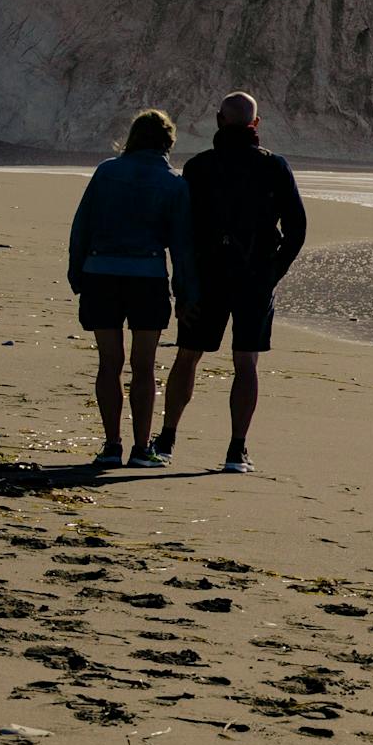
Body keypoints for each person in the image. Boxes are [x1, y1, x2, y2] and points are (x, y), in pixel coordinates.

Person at [153, 91, 306, 474]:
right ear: (256, 125)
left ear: (219, 120)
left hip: (207, 275)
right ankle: (236, 450)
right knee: (245, 362)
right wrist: (273, 271)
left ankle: (167, 439)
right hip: (254, 277)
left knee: (187, 355)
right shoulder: (274, 167)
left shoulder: (199, 167)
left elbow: (182, 231)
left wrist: (183, 284)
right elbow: (297, 229)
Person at [67, 108, 198, 470]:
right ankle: (141, 448)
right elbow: (182, 247)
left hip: (101, 273)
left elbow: (82, 227)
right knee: (144, 366)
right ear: (168, 142)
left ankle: (111, 444)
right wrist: (185, 292)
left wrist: (77, 273)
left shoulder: (106, 172)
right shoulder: (175, 183)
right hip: (147, 278)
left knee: (109, 363)